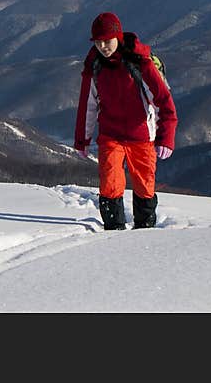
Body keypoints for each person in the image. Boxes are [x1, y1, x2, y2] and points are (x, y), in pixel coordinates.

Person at [74, 12, 177, 230]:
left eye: (107, 40)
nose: (103, 46)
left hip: (141, 135)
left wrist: (166, 137)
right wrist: (82, 140)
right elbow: (88, 105)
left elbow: (164, 100)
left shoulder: (140, 63)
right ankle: (113, 231)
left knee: (144, 184)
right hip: (110, 134)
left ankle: (145, 227)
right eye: (98, 41)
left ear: (118, 37)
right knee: (110, 182)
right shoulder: (94, 67)